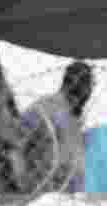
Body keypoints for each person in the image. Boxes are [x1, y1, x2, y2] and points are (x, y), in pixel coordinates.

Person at [17, 61, 94, 193]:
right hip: (45, 194)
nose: (90, 92)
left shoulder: (76, 117)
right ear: (74, 83)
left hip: (72, 197)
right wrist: (23, 182)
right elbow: (16, 143)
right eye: (88, 85)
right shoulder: (45, 108)